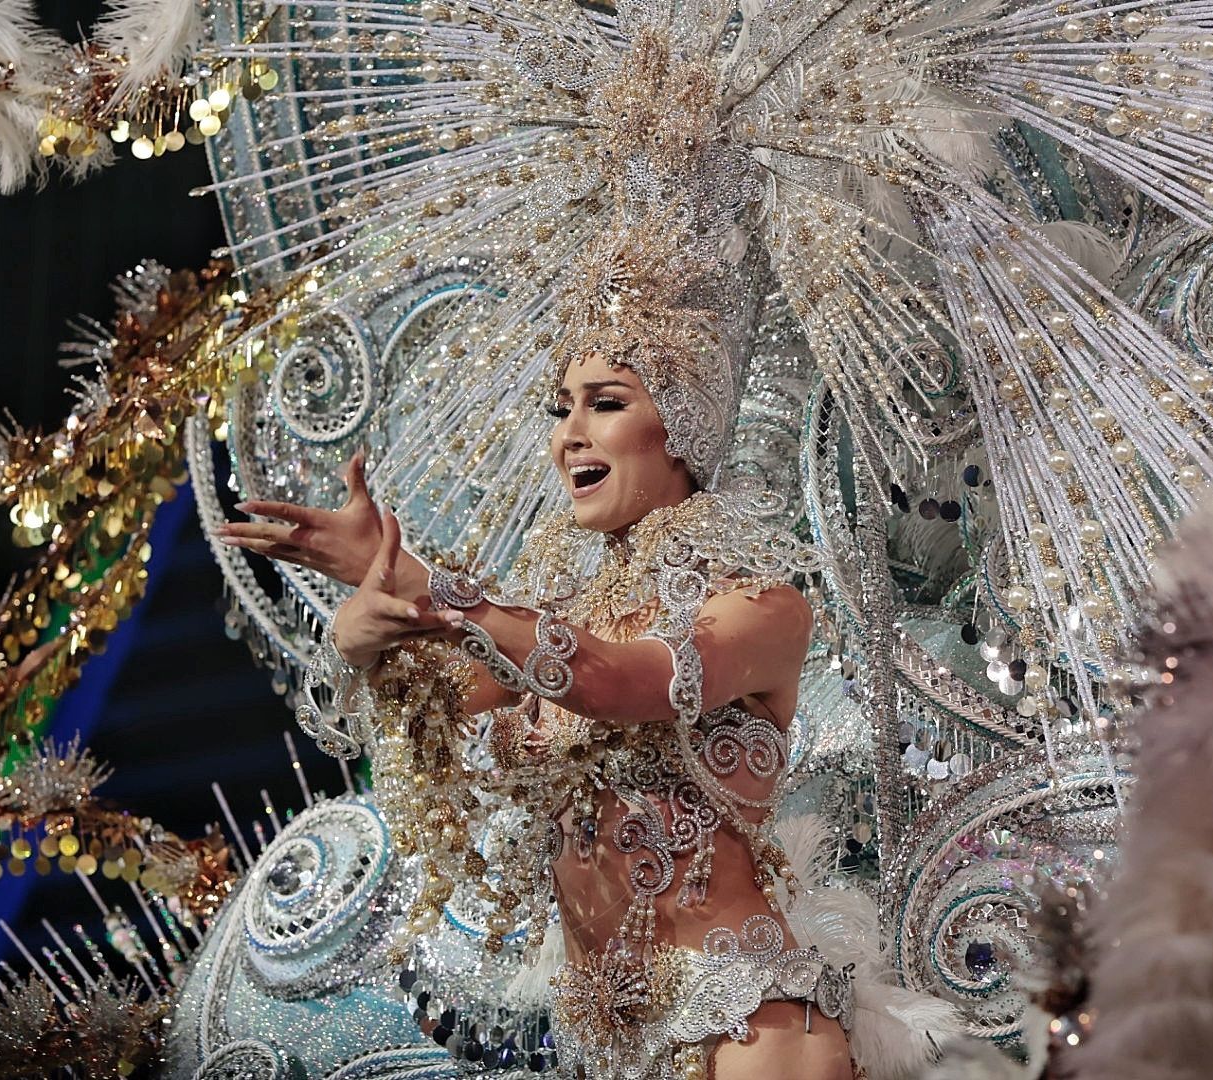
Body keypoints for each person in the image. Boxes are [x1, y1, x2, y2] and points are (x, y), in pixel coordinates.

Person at [218, 334, 856, 1078]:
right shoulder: (554, 625)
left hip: (744, 1026)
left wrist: (429, 588)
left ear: (683, 427)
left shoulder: (759, 608)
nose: (569, 435)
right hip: (603, 1047)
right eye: (561, 410)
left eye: (606, 403)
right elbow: (433, 704)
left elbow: (615, 681)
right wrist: (361, 628)